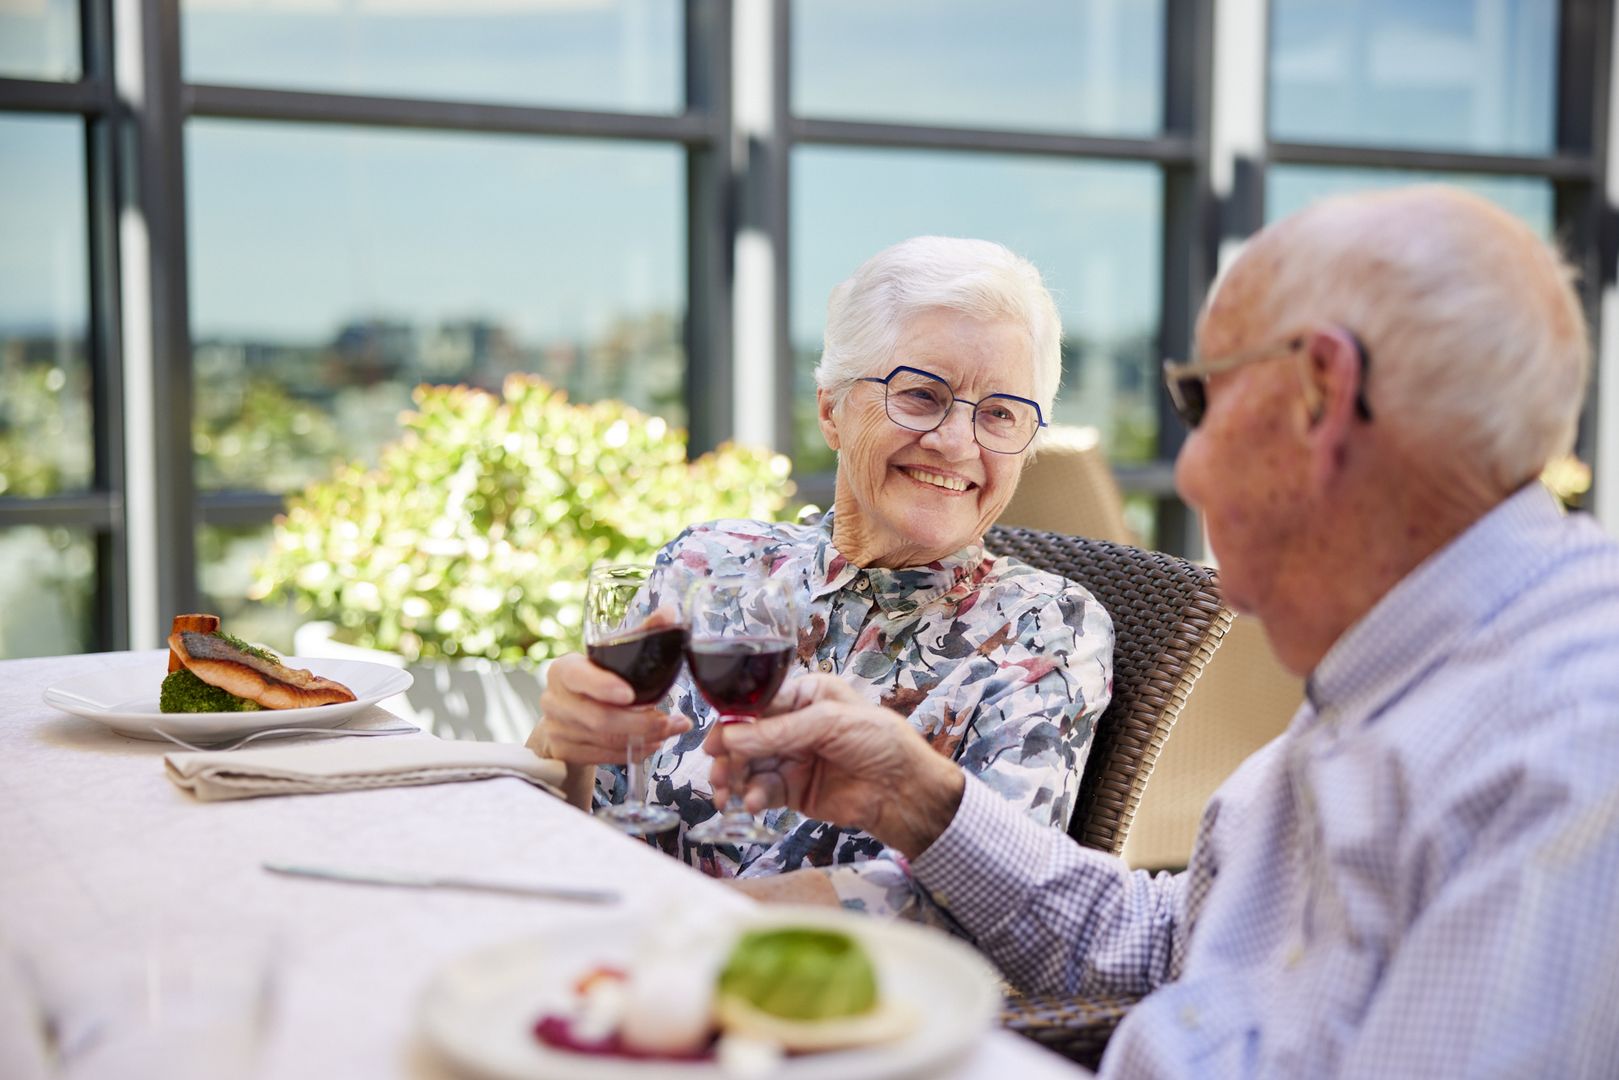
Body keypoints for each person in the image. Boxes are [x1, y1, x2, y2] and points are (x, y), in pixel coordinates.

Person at [709, 187, 1619, 1075]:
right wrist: (916, 802)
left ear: (1320, 397)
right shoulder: (1406, 676)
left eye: (1200, 404)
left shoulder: (1568, 748)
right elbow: (1169, 944)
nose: (1189, 479)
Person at [532, 236, 1114, 919]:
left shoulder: (1044, 632)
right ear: (830, 410)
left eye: (998, 414)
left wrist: (670, 916)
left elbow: (985, 898)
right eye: (921, 396)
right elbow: (578, 818)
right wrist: (560, 747)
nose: (956, 443)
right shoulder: (704, 562)